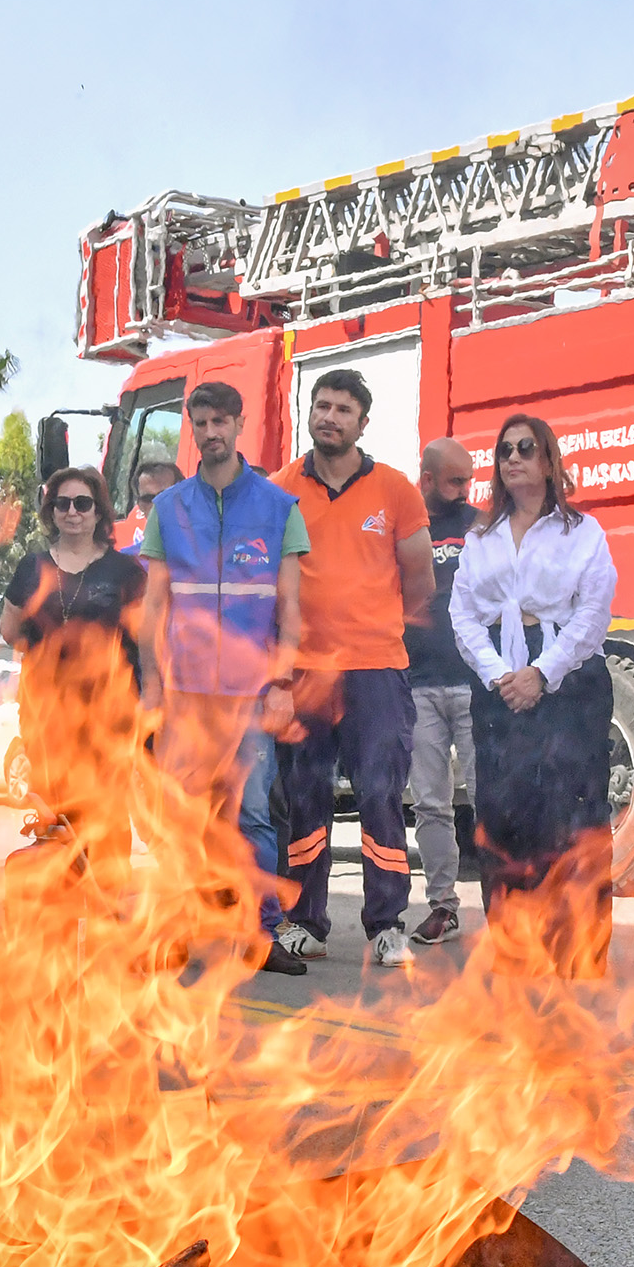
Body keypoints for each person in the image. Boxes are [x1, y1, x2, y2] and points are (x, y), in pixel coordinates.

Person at [140, 381, 310, 975]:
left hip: (249, 696)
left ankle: (260, 937)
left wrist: (283, 686)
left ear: (239, 424)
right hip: (184, 695)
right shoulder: (168, 509)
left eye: (220, 421)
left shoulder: (277, 507)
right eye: (200, 423)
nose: (210, 432)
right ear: (192, 429)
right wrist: (153, 687)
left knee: (255, 816)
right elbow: (154, 610)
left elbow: (291, 609)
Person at [270, 371, 435, 970]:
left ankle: (385, 924)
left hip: (376, 669)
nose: (329, 417)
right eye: (321, 406)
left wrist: (374, 626)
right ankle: (306, 921)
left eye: (342, 409)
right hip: (305, 671)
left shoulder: (395, 489)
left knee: (380, 793)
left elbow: (420, 581)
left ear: (363, 422)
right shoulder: (281, 488)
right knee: (303, 795)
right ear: (309, 414)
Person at [450, 414, 618, 975]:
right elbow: (463, 614)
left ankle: (579, 949)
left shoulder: (582, 532)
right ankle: (514, 947)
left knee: (573, 816)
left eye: (527, 448)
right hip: (499, 682)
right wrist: (502, 674)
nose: (514, 458)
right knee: (503, 815)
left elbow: (593, 613)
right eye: (504, 451)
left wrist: (542, 674)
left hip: (569, 683)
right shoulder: (480, 537)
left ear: (549, 460)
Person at [2, 467, 148, 825]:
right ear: (51, 511)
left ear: (98, 512)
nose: (72, 512)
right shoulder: (31, 567)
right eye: (62, 503)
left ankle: (106, 883)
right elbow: (8, 630)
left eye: (82, 503)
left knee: (106, 819)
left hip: (108, 712)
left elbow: (145, 639)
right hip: (45, 712)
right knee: (53, 816)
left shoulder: (125, 571)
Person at [406, 438, 482, 945]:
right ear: (428, 478)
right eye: (456, 480)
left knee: (489, 797)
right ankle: (442, 906)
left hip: (476, 680)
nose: (465, 490)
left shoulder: (479, 525)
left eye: (469, 480)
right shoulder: (404, 522)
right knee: (430, 803)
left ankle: (509, 905)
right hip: (417, 683)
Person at [124, 460, 184, 551]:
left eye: (165, 496)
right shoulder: (131, 560)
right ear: (140, 506)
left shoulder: (208, 548)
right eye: (148, 498)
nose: (156, 503)